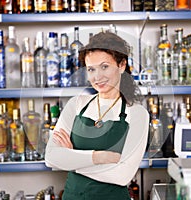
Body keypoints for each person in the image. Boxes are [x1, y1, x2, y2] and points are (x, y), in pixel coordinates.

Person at [45, 31, 149, 200]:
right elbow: (51, 158)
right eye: (91, 69)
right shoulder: (76, 104)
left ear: (122, 65)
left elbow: (122, 175)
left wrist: (72, 160)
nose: (97, 76)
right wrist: (99, 157)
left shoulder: (137, 113)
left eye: (104, 67)